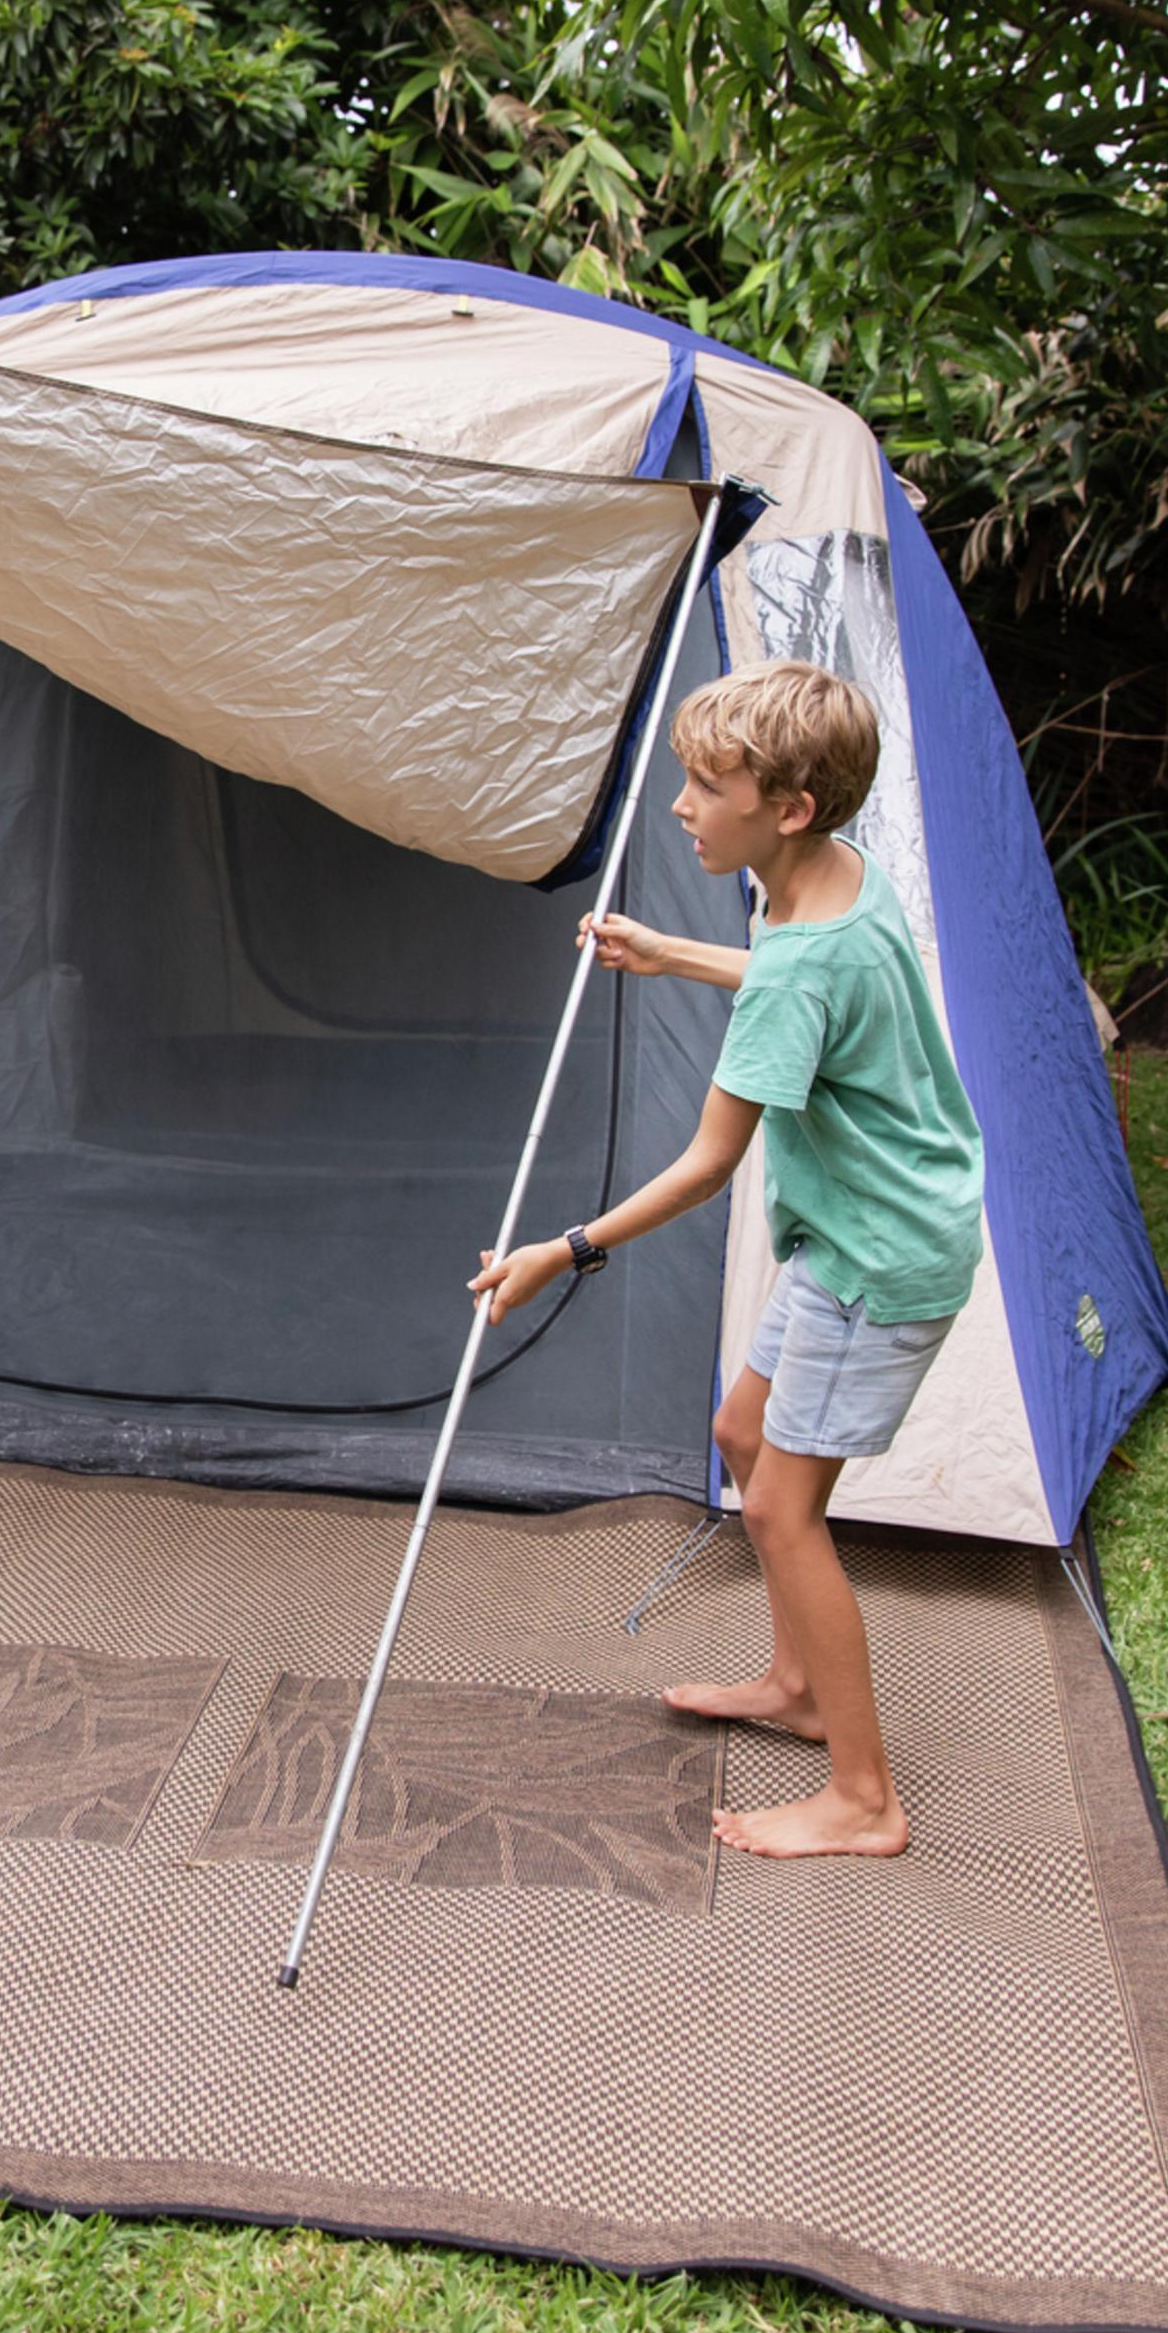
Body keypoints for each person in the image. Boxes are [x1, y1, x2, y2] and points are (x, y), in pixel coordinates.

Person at [468, 658, 985, 1858]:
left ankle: (865, 1799)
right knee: (745, 1438)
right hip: (875, 1235)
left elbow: (707, 1163)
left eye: (708, 786)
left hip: (874, 1262)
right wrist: (673, 953)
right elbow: (811, 981)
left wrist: (564, 1249)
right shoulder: (841, 886)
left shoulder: (801, 959)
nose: (682, 807)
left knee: (781, 1510)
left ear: (789, 809)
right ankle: (801, 1693)